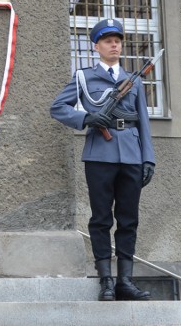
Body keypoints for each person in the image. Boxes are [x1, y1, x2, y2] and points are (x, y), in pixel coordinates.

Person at [50, 18, 155, 302]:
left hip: (131, 155)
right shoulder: (85, 77)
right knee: (100, 220)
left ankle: (125, 281)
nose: (114, 45)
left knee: (129, 219)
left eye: (118, 40)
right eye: (108, 41)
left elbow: (143, 121)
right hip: (99, 155)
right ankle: (105, 281)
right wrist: (85, 117)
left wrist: (149, 159)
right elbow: (57, 107)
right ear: (96, 46)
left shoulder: (133, 80)